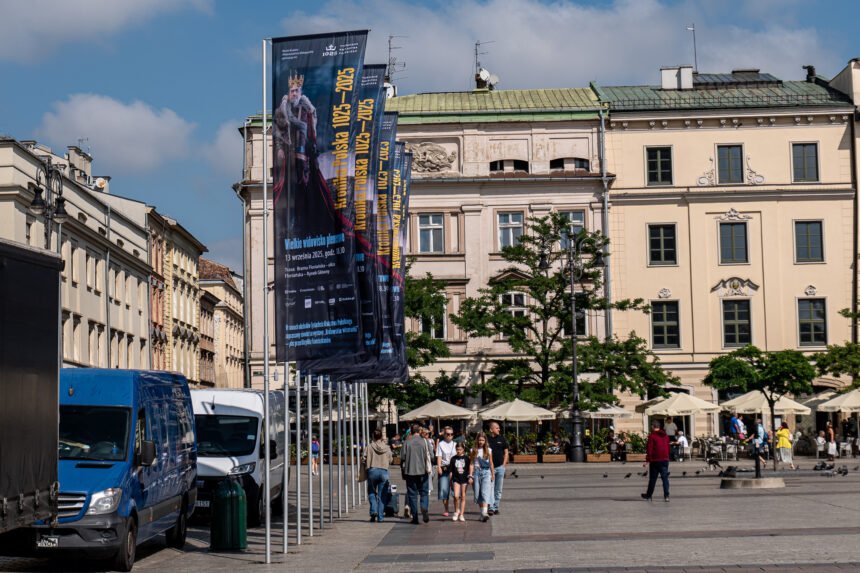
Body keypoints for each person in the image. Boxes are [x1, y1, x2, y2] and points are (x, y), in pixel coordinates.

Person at [401, 423, 431, 524]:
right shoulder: (425, 441)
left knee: (412, 495)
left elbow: (402, 457)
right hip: (423, 471)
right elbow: (431, 455)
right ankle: (424, 507)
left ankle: (415, 517)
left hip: (410, 471)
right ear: (419, 431)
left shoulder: (407, 442)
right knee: (424, 492)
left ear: (411, 431)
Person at [365, 429, 393, 522]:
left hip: (372, 471)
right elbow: (391, 460)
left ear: (373, 437)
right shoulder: (387, 448)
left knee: (371, 492)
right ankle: (380, 517)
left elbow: (363, 458)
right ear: (381, 437)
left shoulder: (369, 447)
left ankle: (373, 511)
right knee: (382, 495)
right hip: (384, 472)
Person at [641, 420, 670, 502]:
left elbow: (649, 449)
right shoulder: (666, 436)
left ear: (653, 426)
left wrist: (647, 460)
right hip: (665, 459)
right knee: (665, 478)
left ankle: (648, 495)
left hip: (655, 460)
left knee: (653, 479)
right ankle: (666, 496)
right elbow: (668, 448)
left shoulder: (652, 436)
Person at [470, 432, 495, 522]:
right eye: (479, 440)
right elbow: (472, 463)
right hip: (476, 472)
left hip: (486, 472)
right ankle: (482, 514)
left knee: (485, 492)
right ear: (477, 440)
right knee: (477, 494)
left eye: (483, 440)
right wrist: (470, 475)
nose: (481, 442)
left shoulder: (489, 450)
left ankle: (484, 512)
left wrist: (492, 474)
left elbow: (491, 463)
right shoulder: (473, 450)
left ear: (485, 441)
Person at [486, 421, 509, 516]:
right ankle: (490, 507)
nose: (499, 429)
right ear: (491, 429)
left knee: (498, 489)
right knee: (490, 488)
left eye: (499, 428)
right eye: (497, 428)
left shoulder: (502, 439)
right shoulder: (487, 440)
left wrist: (504, 465)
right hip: (490, 468)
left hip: (500, 467)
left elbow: (506, 452)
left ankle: (496, 507)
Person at [436, 426, 457, 517]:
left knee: (455, 490)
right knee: (444, 489)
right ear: (444, 434)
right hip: (444, 468)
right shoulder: (441, 444)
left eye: (451, 434)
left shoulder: (456, 444)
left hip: (454, 468)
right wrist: (439, 467)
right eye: (448, 434)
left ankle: (457, 509)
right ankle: (446, 509)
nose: (450, 436)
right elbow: (439, 456)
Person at [449, 441, 470, 522]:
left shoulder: (466, 458)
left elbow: (469, 468)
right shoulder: (453, 459)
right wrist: (450, 480)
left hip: (464, 479)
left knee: (463, 496)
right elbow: (451, 471)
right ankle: (456, 511)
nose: (458, 451)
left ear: (463, 449)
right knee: (456, 496)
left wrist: (470, 477)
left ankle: (461, 514)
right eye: (457, 449)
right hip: (456, 479)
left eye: (460, 449)